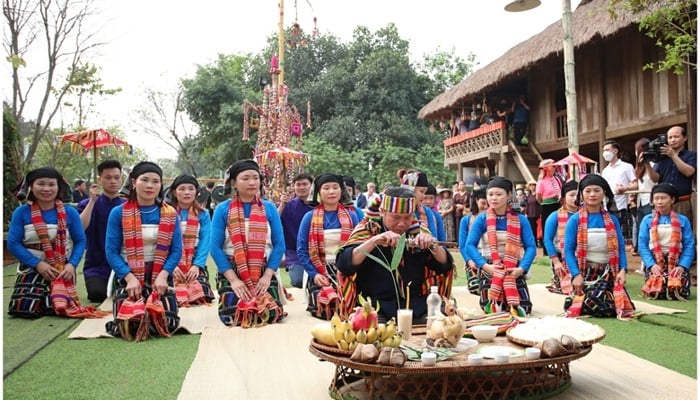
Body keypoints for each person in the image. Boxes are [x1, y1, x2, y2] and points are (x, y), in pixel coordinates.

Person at [336, 187, 453, 323]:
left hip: (416, 306)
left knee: (443, 322)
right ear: (382, 212)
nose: (402, 223)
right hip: (375, 306)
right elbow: (344, 265)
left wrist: (433, 245)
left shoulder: (419, 232)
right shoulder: (367, 230)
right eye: (396, 217)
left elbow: (444, 266)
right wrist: (374, 241)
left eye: (408, 217)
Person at [6, 167, 100, 319]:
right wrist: (38, 264)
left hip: (61, 269)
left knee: (56, 306)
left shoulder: (69, 212)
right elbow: (13, 243)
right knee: (25, 308)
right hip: (32, 268)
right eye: (41, 184)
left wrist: (72, 265)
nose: (46, 189)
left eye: (51, 184)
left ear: (58, 187)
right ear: (31, 186)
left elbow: (80, 240)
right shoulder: (22, 212)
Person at [105, 161, 183, 340]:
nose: (150, 185)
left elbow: (176, 250)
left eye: (156, 181)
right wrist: (129, 278)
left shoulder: (170, 213)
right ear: (133, 182)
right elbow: (111, 251)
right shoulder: (118, 212)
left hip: (159, 276)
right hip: (129, 275)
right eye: (145, 180)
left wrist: (164, 275)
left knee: (167, 323)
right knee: (130, 325)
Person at [210, 160, 286, 327]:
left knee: (272, 314)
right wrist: (233, 280)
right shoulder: (222, 210)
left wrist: (267, 276)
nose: (252, 182)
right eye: (245, 178)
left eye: (255, 178)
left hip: (263, 268)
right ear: (233, 182)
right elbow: (215, 248)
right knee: (233, 316)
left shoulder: (269, 208)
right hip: (232, 269)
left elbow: (279, 244)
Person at [563, 174, 635, 319]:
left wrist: (622, 270)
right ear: (581, 195)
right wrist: (576, 275)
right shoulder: (575, 220)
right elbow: (568, 250)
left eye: (597, 190)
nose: (592, 194)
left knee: (610, 308)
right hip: (586, 273)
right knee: (592, 304)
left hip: (609, 273)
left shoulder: (612, 219)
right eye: (588, 191)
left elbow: (620, 247)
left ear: (604, 194)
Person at [465, 177, 536, 316]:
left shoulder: (520, 219)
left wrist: (521, 269)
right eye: (490, 194)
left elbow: (531, 247)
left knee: (524, 309)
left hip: (513, 268)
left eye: (499, 194)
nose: (493, 198)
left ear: (509, 195)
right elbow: (469, 246)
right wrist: (486, 267)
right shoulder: (482, 218)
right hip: (491, 267)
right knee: (492, 308)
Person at [297, 173, 361, 319]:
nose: (331, 192)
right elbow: (301, 250)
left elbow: (358, 245)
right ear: (319, 192)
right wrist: (315, 274)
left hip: (346, 270)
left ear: (341, 190)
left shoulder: (352, 216)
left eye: (335, 187)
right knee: (326, 309)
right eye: (326, 188)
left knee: (349, 307)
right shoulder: (309, 217)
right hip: (320, 270)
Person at [77, 159, 125, 303]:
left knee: (125, 294)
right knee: (97, 294)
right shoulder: (86, 204)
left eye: (116, 178)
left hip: (124, 263)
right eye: (108, 178)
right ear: (99, 179)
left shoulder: (127, 205)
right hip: (96, 264)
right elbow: (80, 229)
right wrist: (92, 201)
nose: (113, 182)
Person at [638, 183, 695, 300]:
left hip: (676, 261)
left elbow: (689, 244)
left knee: (679, 291)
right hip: (655, 261)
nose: (659, 202)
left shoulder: (683, 220)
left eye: (663, 198)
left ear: (672, 200)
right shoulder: (647, 220)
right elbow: (642, 245)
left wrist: (682, 266)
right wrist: (651, 265)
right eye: (656, 198)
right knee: (656, 292)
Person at [167, 174, 215, 306]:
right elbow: (161, 242)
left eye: (191, 189)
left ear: (197, 192)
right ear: (174, 192)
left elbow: (205, 241)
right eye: (182, 189)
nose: (187, 192)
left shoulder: (203, 214)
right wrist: (171, 267)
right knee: (168, 295)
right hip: (169, 262)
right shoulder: (165, 212)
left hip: (194, 261)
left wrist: (196, 266)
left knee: (202, 292)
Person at [647, 126, 696, 226]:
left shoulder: (691, 155)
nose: (672, 140)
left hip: (683, 201)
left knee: (683, 230)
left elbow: (689, 172)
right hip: (663, 202)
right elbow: (655, 178)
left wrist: (673, 155)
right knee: (662, 230)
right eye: (670, 137)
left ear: (685, 138)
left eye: (676, 137)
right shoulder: (662, 157)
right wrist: (646, 164)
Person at [543, 180, 579, 294]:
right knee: (566, 289)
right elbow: (547, 240)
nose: (575, 198)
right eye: (571, 195)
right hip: (561, 257)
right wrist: (556, 262)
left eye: (578, 195)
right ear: (563, 198)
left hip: (583, 256)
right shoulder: (555, 216)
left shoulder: (586, 214)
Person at [279, 173, 314, 288]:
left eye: (305, 184)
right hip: (295, 251)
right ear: (293, 187)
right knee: (298, 280)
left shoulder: (319, 206)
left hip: (317, 251)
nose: (301, 187)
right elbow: (274, 221)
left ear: (312, 186)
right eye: (298, 185)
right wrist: (282, 205)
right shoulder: (288, 206)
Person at [601, 139, 637, 242]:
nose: (605, 153)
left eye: (607, 150)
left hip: (621, 206)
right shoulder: (605, 170)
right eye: (604, 150)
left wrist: (625, 188)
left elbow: (636, 183)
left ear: (615, 151)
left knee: (620, 235)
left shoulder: (626, 167)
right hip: (606, 206)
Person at [458, 189, 488, 295]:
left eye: (488, 204)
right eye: (483, 203)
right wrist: (470, 261)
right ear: (476, 201)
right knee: (476, 288)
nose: (486, 207)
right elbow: (462, 246)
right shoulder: (466, 220)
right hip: (473, 259)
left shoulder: (494, 219)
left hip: (490, 258)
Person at [633, 138, 656, 256]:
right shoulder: (638, 167)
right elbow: (639, 183)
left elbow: (655, 179)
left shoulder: (653, 163)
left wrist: (647, 164)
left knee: (651, 230)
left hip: (651, 201)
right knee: (642, 230)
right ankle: (644, 259)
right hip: (640, 202)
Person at [536, 159, 562, 255]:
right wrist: (545, 201)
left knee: (558, 226)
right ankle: (547, 252)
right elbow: (538, 196)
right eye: (552, 166)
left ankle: (558, 248)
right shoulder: (541, 181)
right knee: (547, 228)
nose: (554, 168)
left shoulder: (556, 179)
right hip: (547, 205)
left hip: (557, 204)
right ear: (546, 168)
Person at [523, 181, 541, 246]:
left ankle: (540, 243)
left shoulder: (538, 194)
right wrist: (526, 214)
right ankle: (534, 243)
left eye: (534, 185)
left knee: (539, 230)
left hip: (537, 214)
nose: (532, 187)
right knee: (532, 230)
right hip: (530, 215)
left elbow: (540, 204)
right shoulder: (529, 196)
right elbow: (527, 205)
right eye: (531, 186)